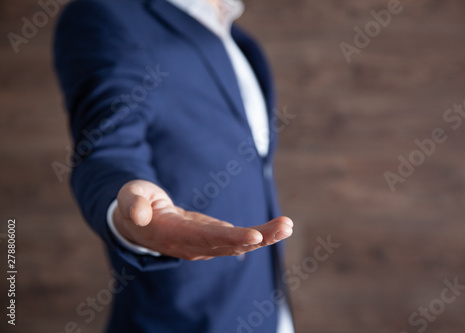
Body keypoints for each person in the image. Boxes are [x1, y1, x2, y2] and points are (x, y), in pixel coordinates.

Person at [54, 0, 295, 332]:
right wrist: (128, 212)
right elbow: (107, 149)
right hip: (183, 319)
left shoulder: (238, 39)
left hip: (269, 310)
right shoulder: (107, 14)